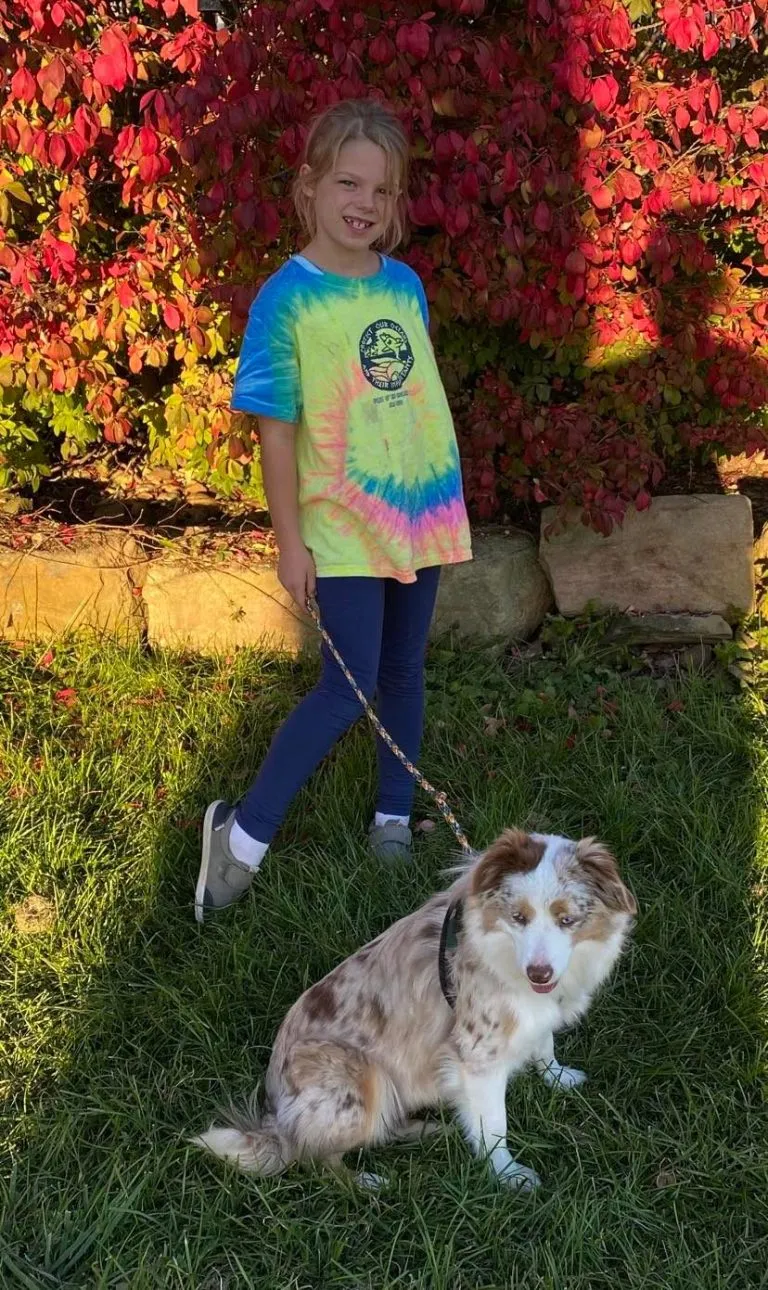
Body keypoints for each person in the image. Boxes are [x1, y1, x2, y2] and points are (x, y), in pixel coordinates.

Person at [195, 98, 472, 923]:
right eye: (349, 182)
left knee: (403, 672)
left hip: (416, 515)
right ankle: (241, 838)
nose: (365, 204)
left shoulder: (405, 285)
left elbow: (411, 397)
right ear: (309, 186)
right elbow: (276, 434)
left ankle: (393, 817)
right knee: (344, 689)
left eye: (383, 193)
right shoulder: (287, 301)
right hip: (342, 527)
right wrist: (291, 543)